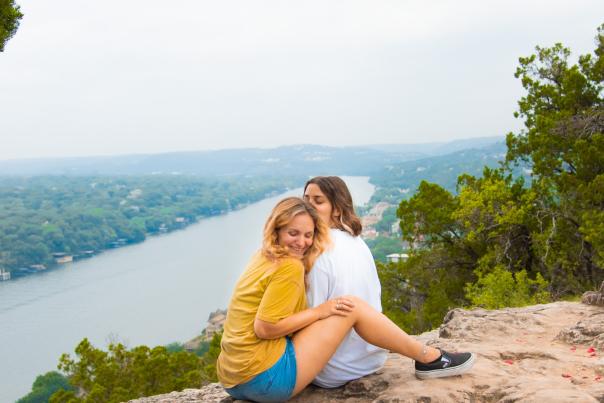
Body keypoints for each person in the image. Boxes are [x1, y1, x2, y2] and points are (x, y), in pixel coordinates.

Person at [217, 197, 475, 403]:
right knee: (351, 307)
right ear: (277, 229)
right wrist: (322, 311)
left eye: (308, 235)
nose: (302, 242)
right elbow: (265, 327)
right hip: (265, 381)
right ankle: (429, 358)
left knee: (343, 307)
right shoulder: (289, 267)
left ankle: (427, 356)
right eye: (293, 233)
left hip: (233, 379)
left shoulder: (261, 256)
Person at [303, 176, 387, 387]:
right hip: (372, 358)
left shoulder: (319, 254)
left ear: (337, 209)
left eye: (318, 201)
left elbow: (312, 315)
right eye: (305, 199)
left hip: (332, 368)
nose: (308, 206)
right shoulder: (358, 242)